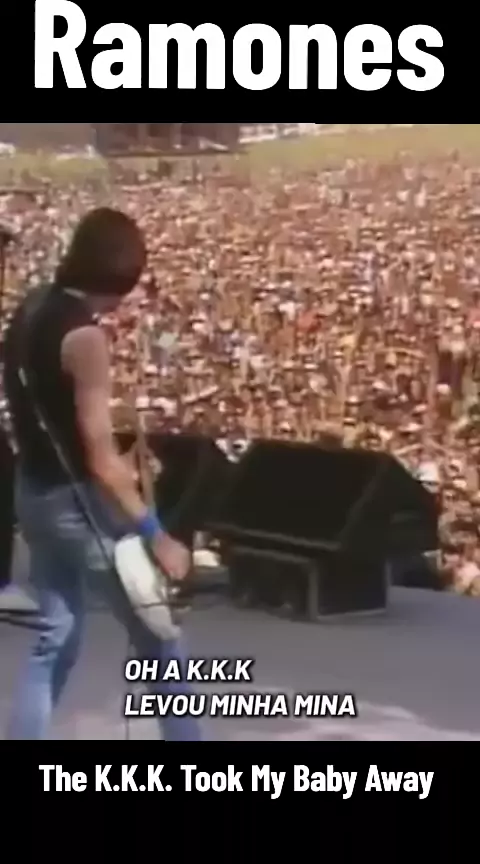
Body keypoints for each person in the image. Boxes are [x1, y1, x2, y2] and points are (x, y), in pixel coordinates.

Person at [2, 207, 201, 740]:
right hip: (79, 504)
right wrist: (156, 535)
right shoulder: (86, 339)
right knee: (160, 638)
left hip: (34, 493)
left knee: (57, 637)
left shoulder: (30, 307)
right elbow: (99, 457)